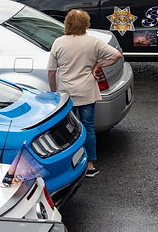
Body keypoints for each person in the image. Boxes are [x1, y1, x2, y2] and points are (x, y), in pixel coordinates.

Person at [47, 9, 123, 177]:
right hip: (87, 91)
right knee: (88, 127)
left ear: (67, 23)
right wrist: (98, 66)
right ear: (85, 23)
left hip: (67, 93)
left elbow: (52, 72)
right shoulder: (93, 42)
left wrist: (54, 93)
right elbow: (116, 55)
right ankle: (90, 165)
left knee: (69, 130)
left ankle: (71, 164)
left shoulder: (59, 42)